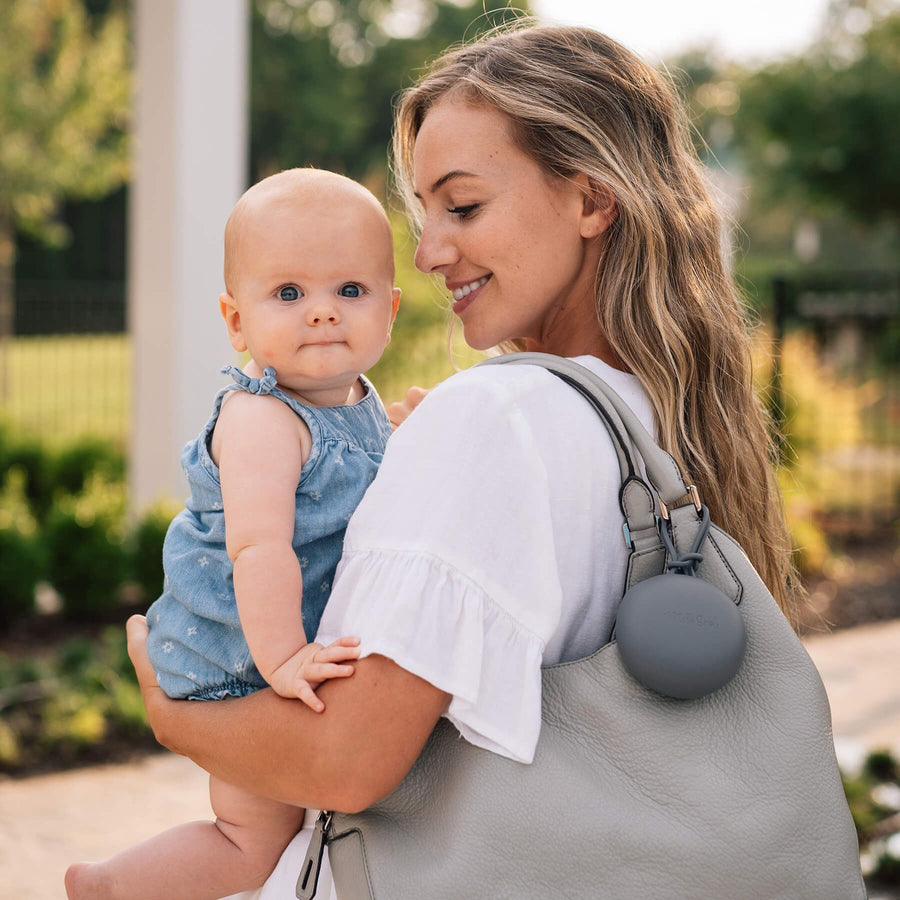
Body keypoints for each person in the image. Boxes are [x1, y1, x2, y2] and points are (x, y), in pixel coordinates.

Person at [122, 21, 805, 899]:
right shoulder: (651, 412)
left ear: (592, 201)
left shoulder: (499, 414)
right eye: (424, 214)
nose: (431, 250)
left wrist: (167, 710)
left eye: (464, 206)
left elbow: (345, 761)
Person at [64, 167, 401, 900]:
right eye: (289, 293)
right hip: (239, 653)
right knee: (249, 840)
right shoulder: (261, 420)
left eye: (350, 290)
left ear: (391, 309)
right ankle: (106, 887)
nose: (323, 314)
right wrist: (281, 660)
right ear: (236, 320)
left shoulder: (358, 401)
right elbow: (259, 547)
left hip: (281, 643)